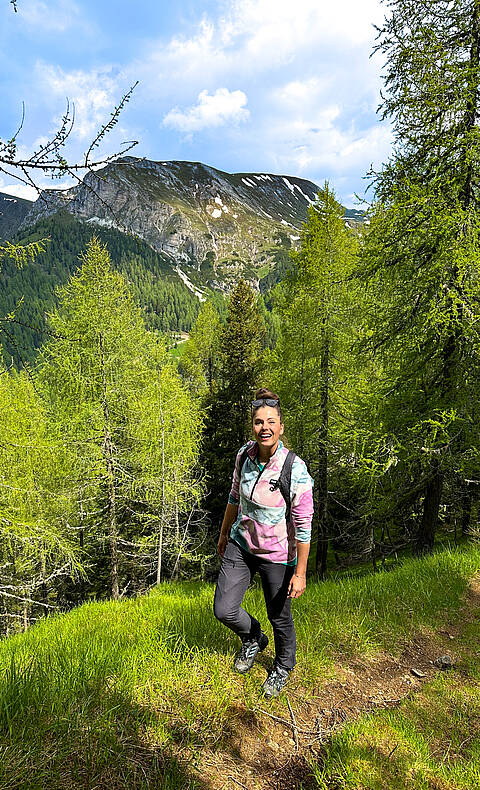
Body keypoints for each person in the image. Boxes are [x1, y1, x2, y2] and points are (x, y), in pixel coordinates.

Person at [213, 388, 314, 698]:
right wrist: (223, 533)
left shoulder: (293, 469)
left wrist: (300, 572)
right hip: (241, 544)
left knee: (278, 615)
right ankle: (254, 638)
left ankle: (283, 666)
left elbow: (304, 526)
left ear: (281, 426)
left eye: (271, 421)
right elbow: (233, 496)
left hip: (277, 555)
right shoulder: (244, 455)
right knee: (224, 609)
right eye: (258, 422)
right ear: (252, 426)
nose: (264, 428)